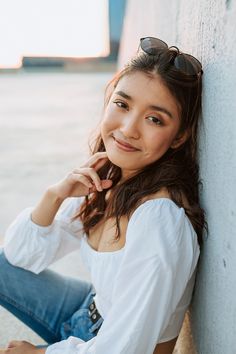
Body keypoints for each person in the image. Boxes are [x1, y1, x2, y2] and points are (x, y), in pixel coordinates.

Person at [0, 37, 207, 354]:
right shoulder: (110, 178)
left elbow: (124, 349)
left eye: (154, 119)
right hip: (88, 309)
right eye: (122, 104)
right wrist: (54, 195)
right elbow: (18, 258)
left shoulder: (159, 221)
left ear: (179, 136)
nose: (128, 128)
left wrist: (41, 353)